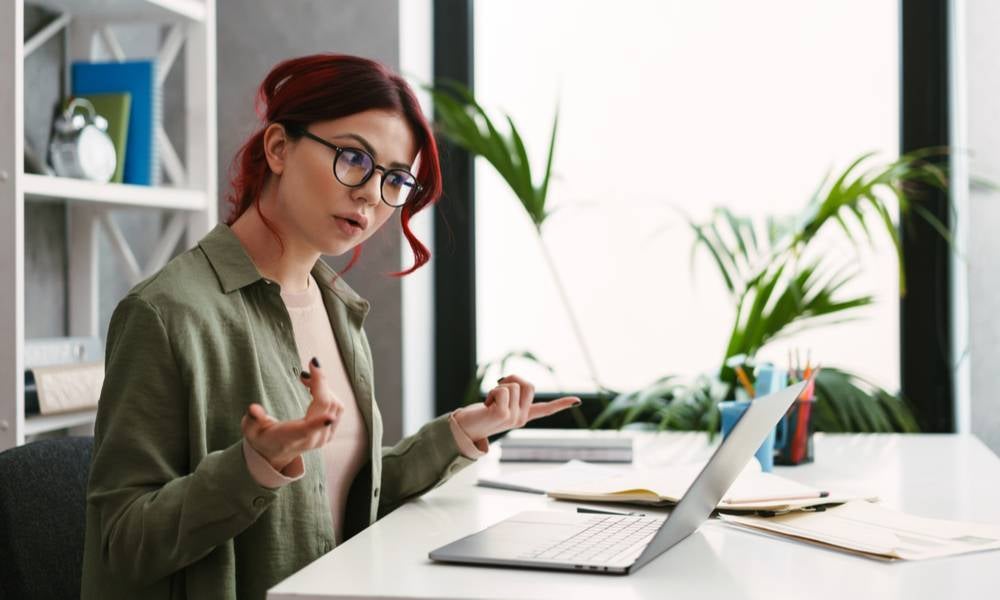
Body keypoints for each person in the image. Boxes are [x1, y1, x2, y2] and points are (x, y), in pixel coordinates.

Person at [80, 54, 580, 600]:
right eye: (354, 158)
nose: (371, 193)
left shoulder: (338, 309)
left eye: (395, 178)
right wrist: (254, 466)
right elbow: (118, 547)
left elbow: (338, 502)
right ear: (277, 148)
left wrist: (463, 431)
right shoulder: (166, 313)